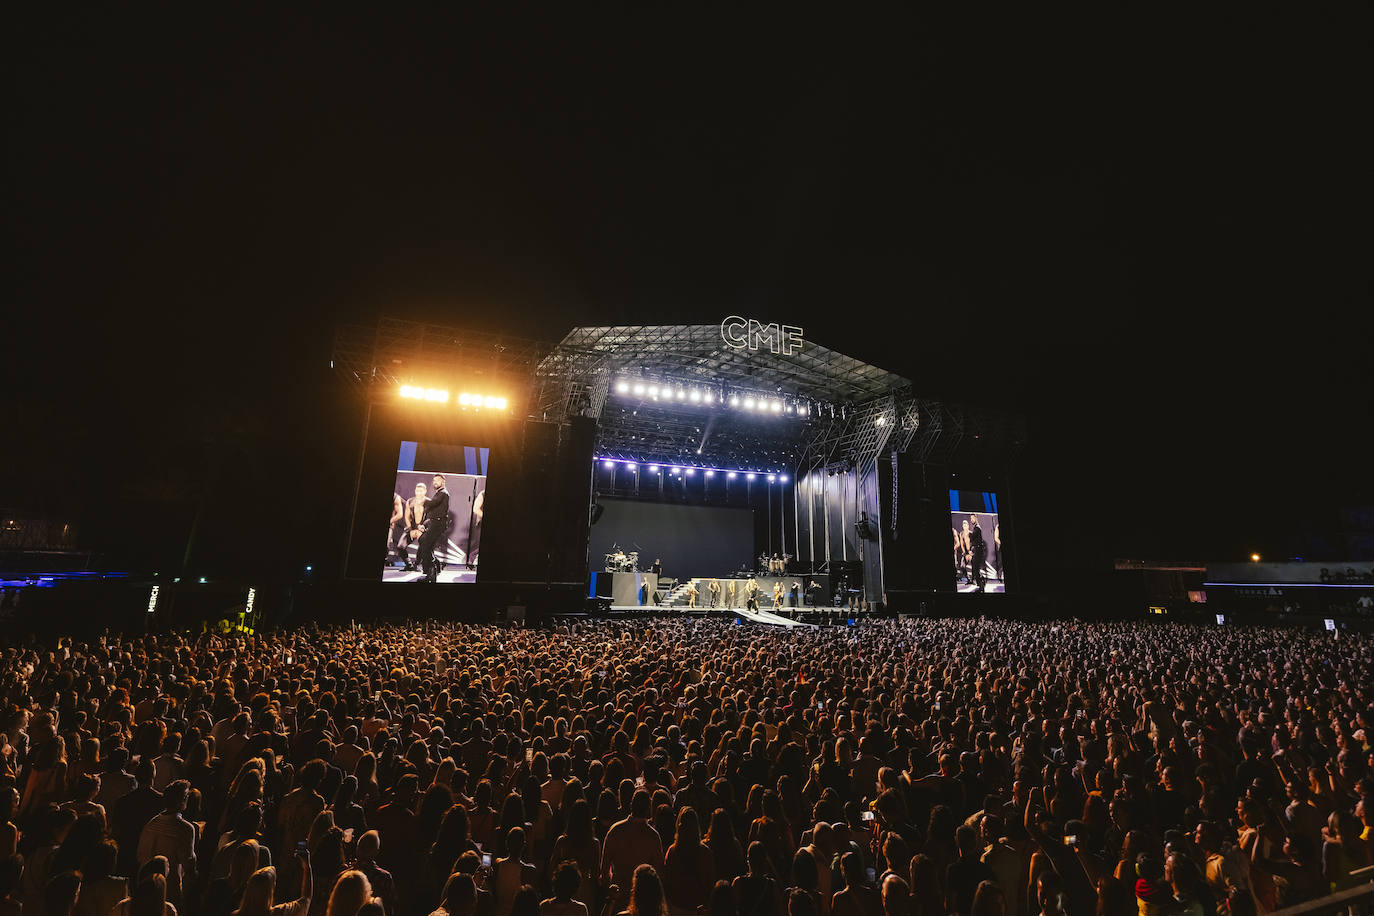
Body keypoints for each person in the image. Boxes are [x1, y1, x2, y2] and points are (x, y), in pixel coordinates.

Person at [417, 474, 452, 583]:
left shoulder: (443, 493)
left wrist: (422, 501)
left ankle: (431, 574)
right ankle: (436, 565)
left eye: (437, 481)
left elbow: (433, 503)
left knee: (426, 545)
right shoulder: (439, 493)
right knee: (424, 541)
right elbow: (432, 509)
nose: (434, 483)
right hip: (434, 523)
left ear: (443, 482)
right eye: (434, 481)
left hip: (438, 524)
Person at [401, 482, 430, 571]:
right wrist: (410, 529)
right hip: (412, 528)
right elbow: (406, 516)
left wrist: (422, 528)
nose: (419, 493)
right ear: (415, 491)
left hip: (423, 528)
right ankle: (409, 565)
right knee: (400, 546)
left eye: (421, 491)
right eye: (417, 491)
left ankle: (416, 564)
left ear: (425, 491)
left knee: (423, 545)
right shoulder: (410, 501)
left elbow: (430, 518)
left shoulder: (429, 502)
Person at [967, 516, 987, 592]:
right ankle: (979, 583)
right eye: (971, 519)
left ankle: (981, 583)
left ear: (976, 518)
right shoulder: (976, 528)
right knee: (975, 566)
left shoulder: (977, 528)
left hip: (978, 550)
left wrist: (969, 533)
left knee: (976, 567)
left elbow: (972, 537)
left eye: (972, 518)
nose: (971, 520)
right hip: (977, 549)